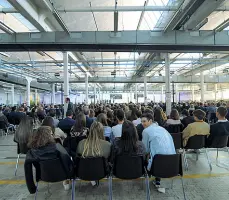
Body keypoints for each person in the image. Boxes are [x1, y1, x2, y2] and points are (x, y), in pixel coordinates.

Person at [24, 126, 74, 193]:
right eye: (51, 134)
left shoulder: (32, 152)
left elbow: (28, 171)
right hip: (62, 176)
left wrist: (31, 188)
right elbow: (68, 162)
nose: (53, 135)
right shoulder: (57, 147)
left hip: (43, 176)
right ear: (48, 136)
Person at [142, 113, 175, 190]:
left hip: (157, 165)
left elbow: (145, 150)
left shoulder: (146, 131)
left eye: (144, 121)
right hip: (173, 164)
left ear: (150, 121)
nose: (142, 124)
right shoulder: (162, 129)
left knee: (147, 156)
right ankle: (157, 180)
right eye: (142, 122)